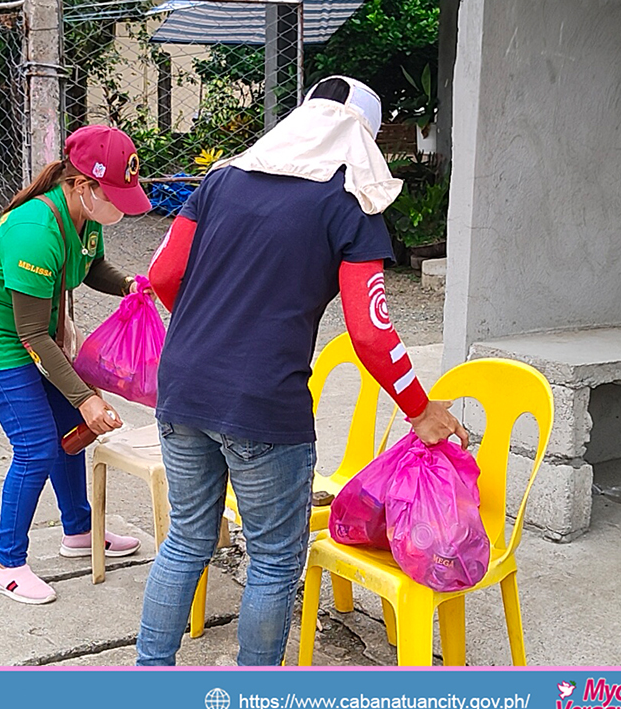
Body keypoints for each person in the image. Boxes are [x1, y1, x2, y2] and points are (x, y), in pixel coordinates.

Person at [138, 76, 469, 665]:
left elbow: (163, 276)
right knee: (271, 557)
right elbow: (368, 330)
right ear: (361, 136)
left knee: (187, 539)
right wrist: (420, 410)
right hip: (265, 406)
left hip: (182, 386)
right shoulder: (348, 199)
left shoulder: (221, 179)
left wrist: (210, 334)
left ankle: (149, 674)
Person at [0, 125, 153, 605]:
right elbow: (32, 335)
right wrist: (85, 396)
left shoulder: (86, 217)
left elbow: (91, 268)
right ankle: (7, 563)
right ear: (83, 186)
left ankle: (78, 532)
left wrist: (128, 285)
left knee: (68, 428)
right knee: (37, 446)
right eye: (116, 196)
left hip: (32, 330)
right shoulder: (35, 231)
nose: (122, 207)